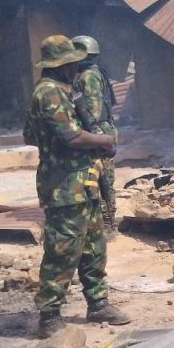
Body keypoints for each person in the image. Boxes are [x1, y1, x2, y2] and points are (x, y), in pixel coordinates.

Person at [23, 36, 129, 337]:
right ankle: (50, 315)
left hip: (84, 182)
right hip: (63, 186)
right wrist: (104, 140)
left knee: (94, 246)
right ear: (62, 66)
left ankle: (98, 304)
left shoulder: (60, 91)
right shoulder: (49, 93)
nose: (75, 68)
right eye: (72, 63)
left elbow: (31, 134)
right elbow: (71, 137)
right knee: (63, 250)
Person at [71, 35, 118, 236]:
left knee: (100, 180)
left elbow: (93, 109)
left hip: (97, 130)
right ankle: (107, 223)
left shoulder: (88, 76)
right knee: (102, 178)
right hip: (102, 130)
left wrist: (96, 137)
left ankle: (107, 226)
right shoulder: (94, 72)